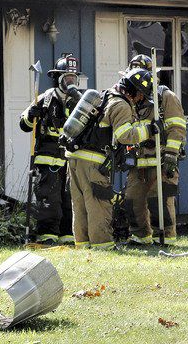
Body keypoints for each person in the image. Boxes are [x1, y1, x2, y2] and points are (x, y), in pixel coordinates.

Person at [66, 68, 160, 249]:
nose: (141, 99)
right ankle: (103, 245)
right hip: (93, 161)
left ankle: (83, 244)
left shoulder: (105, 96)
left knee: (80, 205)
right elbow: (125, 135)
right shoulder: (121, 104)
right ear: (134, 90)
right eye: (141, 95)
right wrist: (149, 130)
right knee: (98, 204)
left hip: (75, 157)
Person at [124, 54, 187, 245]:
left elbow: (177, 128)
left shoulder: (166, 97)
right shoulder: (132, 99)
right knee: (132, 200)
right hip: (138, 161)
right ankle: (140, 236)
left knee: (159, 200)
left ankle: (166, 238)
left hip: (161, 159)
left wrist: (171, 155)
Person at [19, 53, 82, 245]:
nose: (71, 82)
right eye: (67, 78)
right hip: (48, 160)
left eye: (74, 78)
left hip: (70, 159)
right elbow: (24, 125)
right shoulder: (45, 99)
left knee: (68, 198)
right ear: (58, 79)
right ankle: (47, 236)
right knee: (49, 198)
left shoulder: (80, 102)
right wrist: (31, 114)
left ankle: (67, 236)